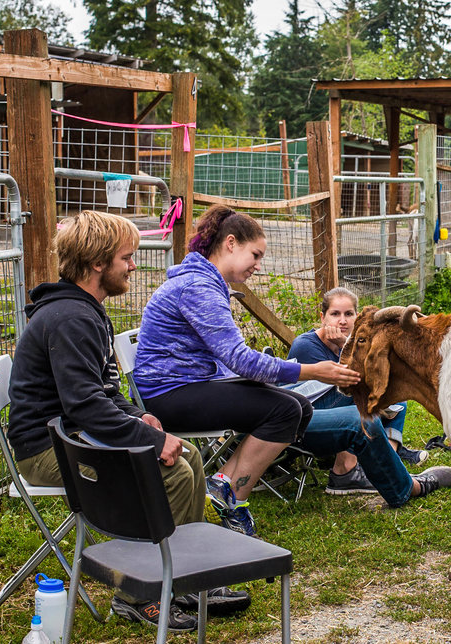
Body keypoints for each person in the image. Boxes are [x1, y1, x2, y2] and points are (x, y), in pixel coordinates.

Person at [7, 211, 248, 631]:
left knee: (187, 455)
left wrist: (140, 417)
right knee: (166, 471)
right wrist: (149, 442)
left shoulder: (87, 310)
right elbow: (84, 406)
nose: (134, 265)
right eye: (127, 257)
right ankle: (139, 597)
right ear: (98, 263)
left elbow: (103, 391)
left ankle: (183, 578)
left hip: (73, 434)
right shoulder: (71, 318)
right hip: (48, 449)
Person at [133, 205, 360, 538]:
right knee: (284, 409)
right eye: (255, 254)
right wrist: (311, 371)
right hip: (167, 395)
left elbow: (233, 361)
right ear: (230, 243)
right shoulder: (199, 288)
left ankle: (223, 486)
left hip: (189, 384)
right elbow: (240, 359)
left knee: (299, 407)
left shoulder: (207, 283)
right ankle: (232, 498)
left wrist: (269, 380)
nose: (258, 264)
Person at [284, 287, 451, 502]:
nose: (342, 321)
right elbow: (336, 384)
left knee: (397, 397)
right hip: (310, 418)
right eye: (335, 314)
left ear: (356, 318)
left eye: (349, 314)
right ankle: (349, 470)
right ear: (322, 317)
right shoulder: (307, 345)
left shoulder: (356, 338)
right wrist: (343, 345)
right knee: (362, 392)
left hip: (328, 415)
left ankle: (391, 456)